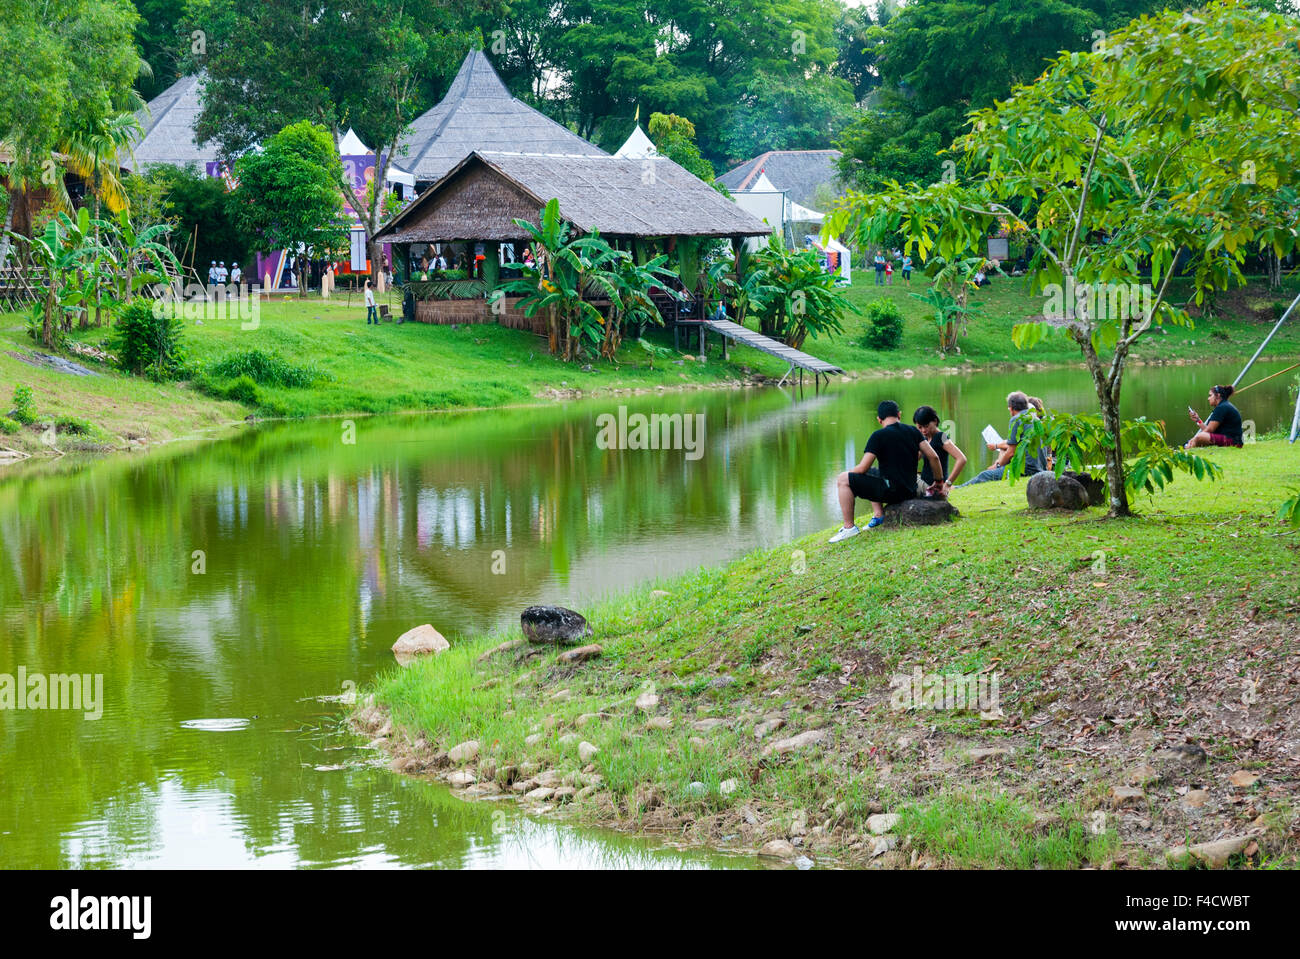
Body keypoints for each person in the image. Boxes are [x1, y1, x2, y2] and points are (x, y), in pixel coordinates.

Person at [830, 400, 945, 541]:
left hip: (892, 492)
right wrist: (939, 481)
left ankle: (849, 528)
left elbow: (862, 468)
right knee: (872, 471)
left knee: (843, 479)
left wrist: (848, 476)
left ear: (879, 419)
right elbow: (934, 457)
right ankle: (879, 515)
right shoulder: (913, 431)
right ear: (899, 414)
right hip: (910, 490)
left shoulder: (878, 436)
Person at [959, 391, 1043, 486]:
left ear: (1011, 408)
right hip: (1039, 468)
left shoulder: (1016, 419)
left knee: (985, 475)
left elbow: (1011, 452)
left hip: (1026, 470)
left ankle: (958, 488)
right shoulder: (1035, 419)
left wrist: (997, 466)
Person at [913, 405, 967, 494]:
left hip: (933, 486)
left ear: (935, 421)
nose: (923, 430)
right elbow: (915, 458)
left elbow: (961, 459)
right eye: (920, 427)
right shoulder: (925, 438)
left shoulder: (942, 437)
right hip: (925, 482)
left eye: (926, 426)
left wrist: (947, 484)